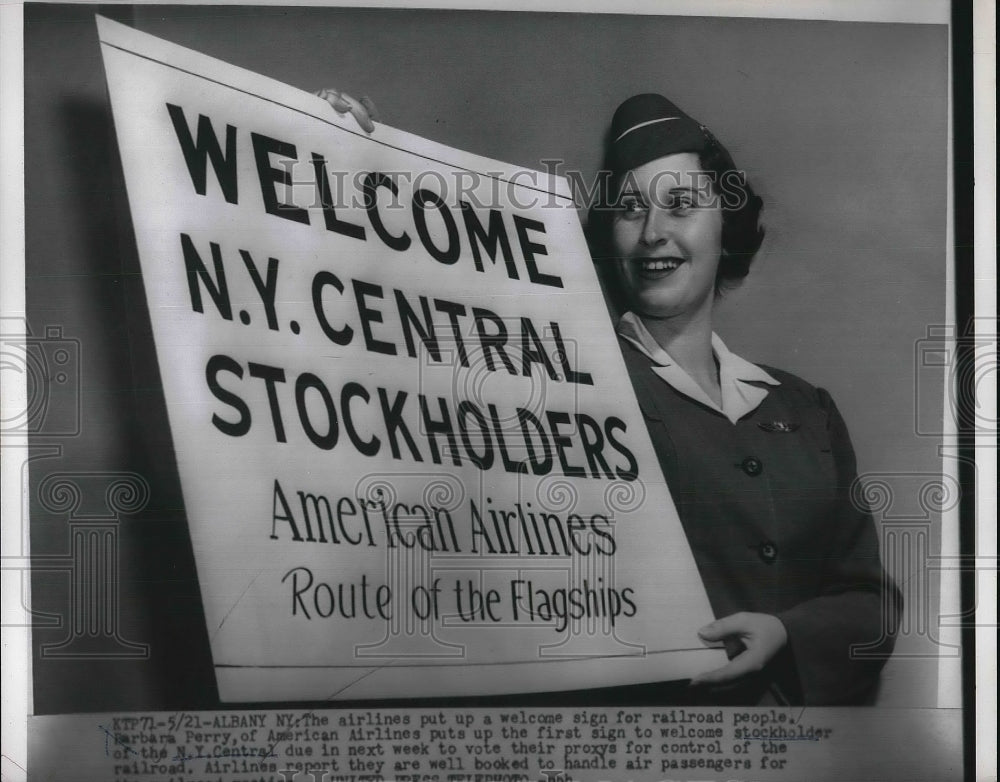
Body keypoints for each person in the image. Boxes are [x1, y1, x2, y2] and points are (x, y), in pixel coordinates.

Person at [316, 89, 901, 706]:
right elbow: (406, 341)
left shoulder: (805, 410)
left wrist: (787, 632)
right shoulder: (561, 381)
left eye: (680, 205)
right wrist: (352, 162)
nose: (654, 233)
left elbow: (867, 602)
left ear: (725, 222)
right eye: (629, 211)